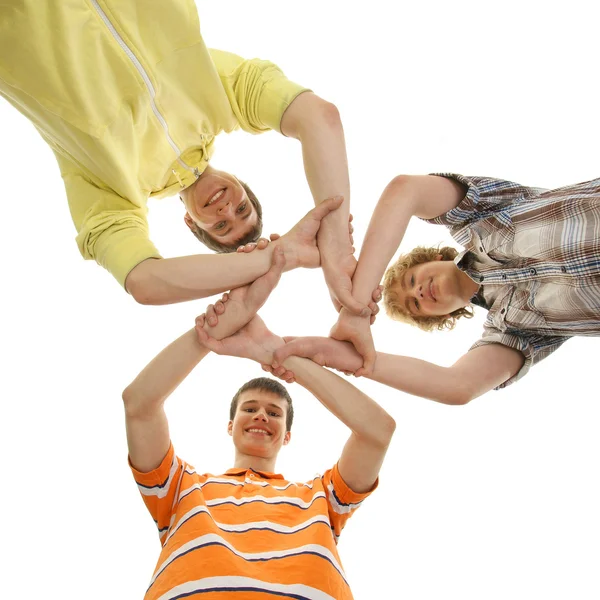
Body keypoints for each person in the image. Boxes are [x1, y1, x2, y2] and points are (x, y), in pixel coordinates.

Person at [0, 1, 363, 313]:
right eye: (241, 209)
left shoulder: (115, 192)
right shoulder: (224, 98)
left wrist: (276, 257)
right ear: (241, 184)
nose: (226, 210)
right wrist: (337, 250)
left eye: (220, 225)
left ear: (190, 222)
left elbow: (144, 282)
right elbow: (319, 117)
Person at [122, 247, 395, 599]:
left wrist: (276, 352)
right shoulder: (181, 489)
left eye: (274, 412)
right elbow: (139, 404)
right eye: (250, 409)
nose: (262, 416)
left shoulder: (320, 498)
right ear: (230, 425)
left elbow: (377, 431)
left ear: (287, 436)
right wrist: (213, 331)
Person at [267, 174, 600, 404]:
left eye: (412, 280)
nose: (419, 292)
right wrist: (348, 358)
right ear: (442, 316)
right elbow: (458, 387)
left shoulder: (480, 219)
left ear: (434, 258)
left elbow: (406, 190)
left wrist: (354, 309)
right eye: (415, 305)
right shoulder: (512, 328)